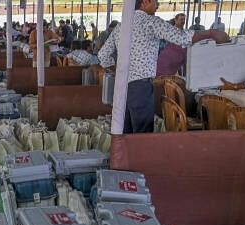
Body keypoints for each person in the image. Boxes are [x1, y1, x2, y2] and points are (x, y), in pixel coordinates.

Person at [98, 0, 229, 133]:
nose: (158, 5)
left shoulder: (121, 27)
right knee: (142, 134)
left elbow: (102, 55)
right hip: (140, 88)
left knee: (125, 133)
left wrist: (119, 72)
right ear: (145, 2)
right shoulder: (151, 22)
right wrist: (211, 34)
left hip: (120, 88)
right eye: (156, 2)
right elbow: (181, 37)